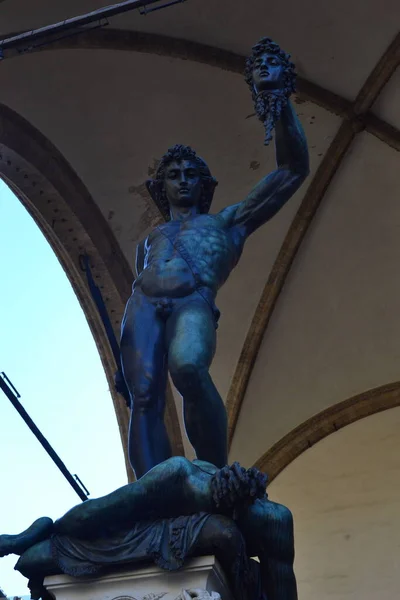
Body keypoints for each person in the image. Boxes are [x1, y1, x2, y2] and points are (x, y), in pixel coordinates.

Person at [120, 38, 309, 479]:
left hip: (193, 302)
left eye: (191, 175)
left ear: (205, 185)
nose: (183, 180)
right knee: (143, 394)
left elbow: (291, 171)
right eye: (173, 175)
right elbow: (138, 280)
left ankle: (213, 471)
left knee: (187, 366)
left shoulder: (228, 222)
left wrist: (276, 101)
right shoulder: (150, 237)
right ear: (160, 187)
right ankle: (152, 491)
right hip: (143, 305)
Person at [0, 458, 297, 600]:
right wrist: (42, 534)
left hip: (175, 527)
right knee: (57, 539)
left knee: (224, 533)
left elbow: (283, 588)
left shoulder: (272, 520)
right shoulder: (179, 477)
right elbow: (94, 513)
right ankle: (32, 536)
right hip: (135, 526)